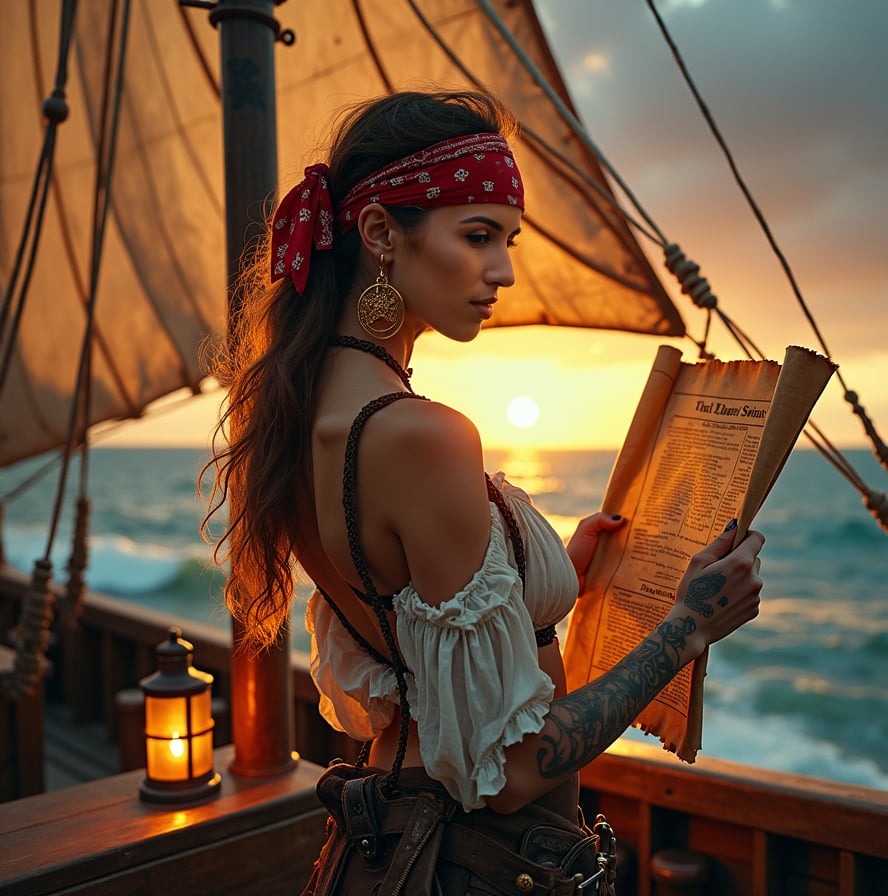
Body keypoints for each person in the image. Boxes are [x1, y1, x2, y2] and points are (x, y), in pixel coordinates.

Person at [203, 89, 764, 894]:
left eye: (508, 239)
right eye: (476, 237)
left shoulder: (299, 408)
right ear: (379, 235)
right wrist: (687, 627)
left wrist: (535, 575)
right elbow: (509, 772)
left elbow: (397, 618)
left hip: (382, 838)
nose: (501, 271)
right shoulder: (419, 434)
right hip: (474, 863)